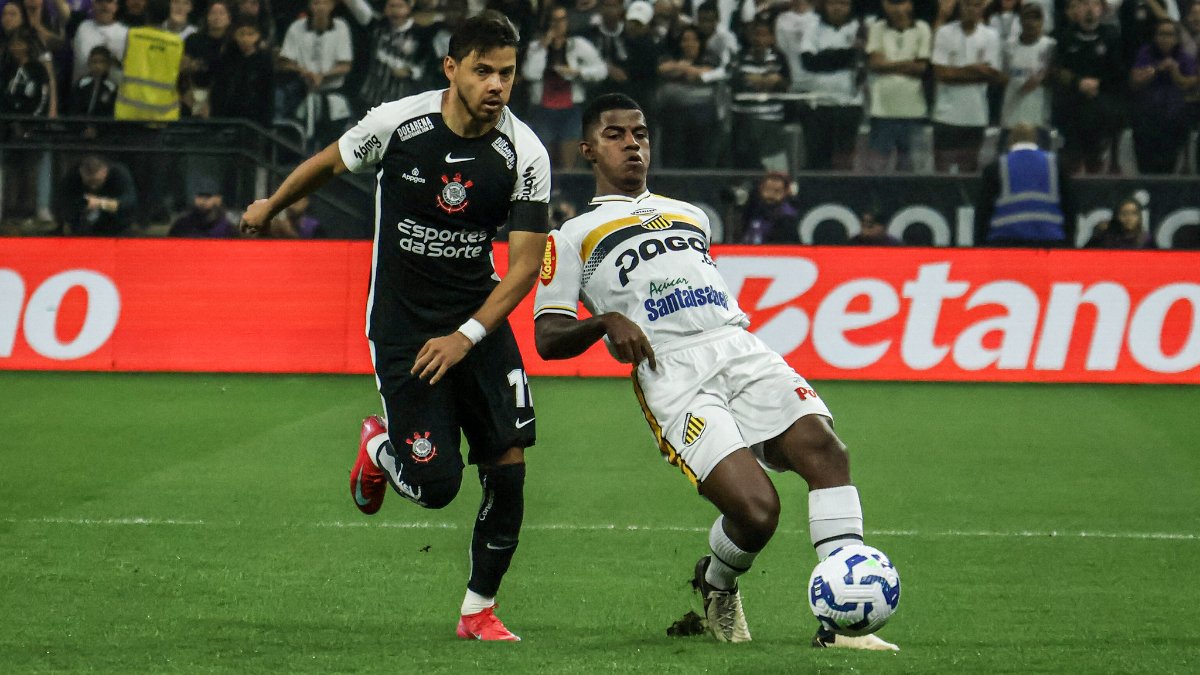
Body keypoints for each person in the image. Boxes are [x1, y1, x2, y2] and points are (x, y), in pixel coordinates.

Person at [533, 93, 898, 651]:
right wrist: (605, 320)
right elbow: (548, 336)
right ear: (587, 149)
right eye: (615, 135)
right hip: (673, 373)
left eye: (641, 133)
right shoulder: (571, 236)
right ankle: (717, 582)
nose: (632, 144)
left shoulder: (691, 215)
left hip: (738, 346)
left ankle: (842, 625)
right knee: (756, 513)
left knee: (827, 451)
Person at [238, 10, 551, 642]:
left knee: (508, 466)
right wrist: (273, 204)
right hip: (405, 331)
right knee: (437, 487)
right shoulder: (398, 124)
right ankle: (379, 446)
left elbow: (520, 270)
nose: (497, 85)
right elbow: (328, 163)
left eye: (507, 73)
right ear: (451, 69)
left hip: (477, 327)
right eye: (483, 71)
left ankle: (478, 612)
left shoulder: (526, 151)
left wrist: (468, 335)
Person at [931, 0, 1003, 173]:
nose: (971, 9)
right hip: (945, 114)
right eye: (967, 4)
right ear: (960, 6)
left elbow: (992, 75)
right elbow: (941, 74)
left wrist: (955, 72)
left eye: (976, 5)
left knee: (969, 169)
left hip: (975, 114)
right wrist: (975, 69)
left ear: (983, 7)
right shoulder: (944, 32)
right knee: (942, 170)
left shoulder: (991, 35)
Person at [974, 124, 1076, 246]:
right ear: (1036, 139)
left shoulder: (996, 167)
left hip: (1006, 240)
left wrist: (979, 246)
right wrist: (1069, 244)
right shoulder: (1055, 164)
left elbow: (983, 212)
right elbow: (1070, 207)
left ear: (1009, 141)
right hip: (1050, 239)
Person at [865, 0, 931, 173]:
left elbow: (921, 68)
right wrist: (908, 64)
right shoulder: (877, 28)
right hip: (882, 109)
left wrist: (889, 64)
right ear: (884, 5)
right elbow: (875, 64)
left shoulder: (922, 28)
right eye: (892, 3)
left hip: (913, 109)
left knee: (909, 167)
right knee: (877, 167)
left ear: (910, 4)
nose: (897, 8)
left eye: (901, 3)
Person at [1129, 18, 1198, 174]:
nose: (1165, 38)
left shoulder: (1184, 57)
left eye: (1169, 34)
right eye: (1161, 34)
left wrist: (1175, 71)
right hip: (1148, 109)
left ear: (1176, 38)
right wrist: (1156, 69)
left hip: (1174, 111)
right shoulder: (1146, 52)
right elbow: (1135, 79)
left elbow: (1189, 82)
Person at [56, 154, 138, 235]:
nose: (93, 186)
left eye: (96, 181)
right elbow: (63, 201)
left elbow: (129, 201)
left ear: (105, 172)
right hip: (81, 225)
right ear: (81, 172)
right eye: (89, 182)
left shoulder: (119, 173)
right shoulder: (73, 176)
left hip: (115, 225)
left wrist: (101, 203)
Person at [739, 172, 800, 244]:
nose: (771, 195)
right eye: (767, 190)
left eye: (777, 191)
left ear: (785, 192)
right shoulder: (754, 210)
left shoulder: (787, 217)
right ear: (761, 190)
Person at [168, 176, 236, 237]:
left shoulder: (227, 229)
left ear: (218, 200)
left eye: (208, 196)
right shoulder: (181, 226)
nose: (203, 200)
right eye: (200, 196)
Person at [1084, 195, 1156, 248]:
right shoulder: (1105, 238)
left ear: (1139, 216)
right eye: (1124, 213)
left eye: (1134, 213)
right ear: (1117, 216)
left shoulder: (1146, 240)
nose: (1129, 218)